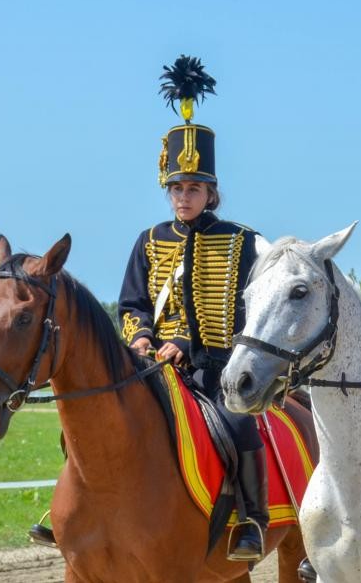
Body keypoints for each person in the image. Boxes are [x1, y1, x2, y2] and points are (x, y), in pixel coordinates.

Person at [118, 56, 267, 562]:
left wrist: (190, 344)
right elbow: (133, 302)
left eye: (194, 189)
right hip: (152, 370)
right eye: (177, 189)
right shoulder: (149, 240)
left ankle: (251, 519)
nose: (184, 197)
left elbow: (255, 307)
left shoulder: (242, 241)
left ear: (211, 192)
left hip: (216, 370)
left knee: (240, 427)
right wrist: (140, 337)